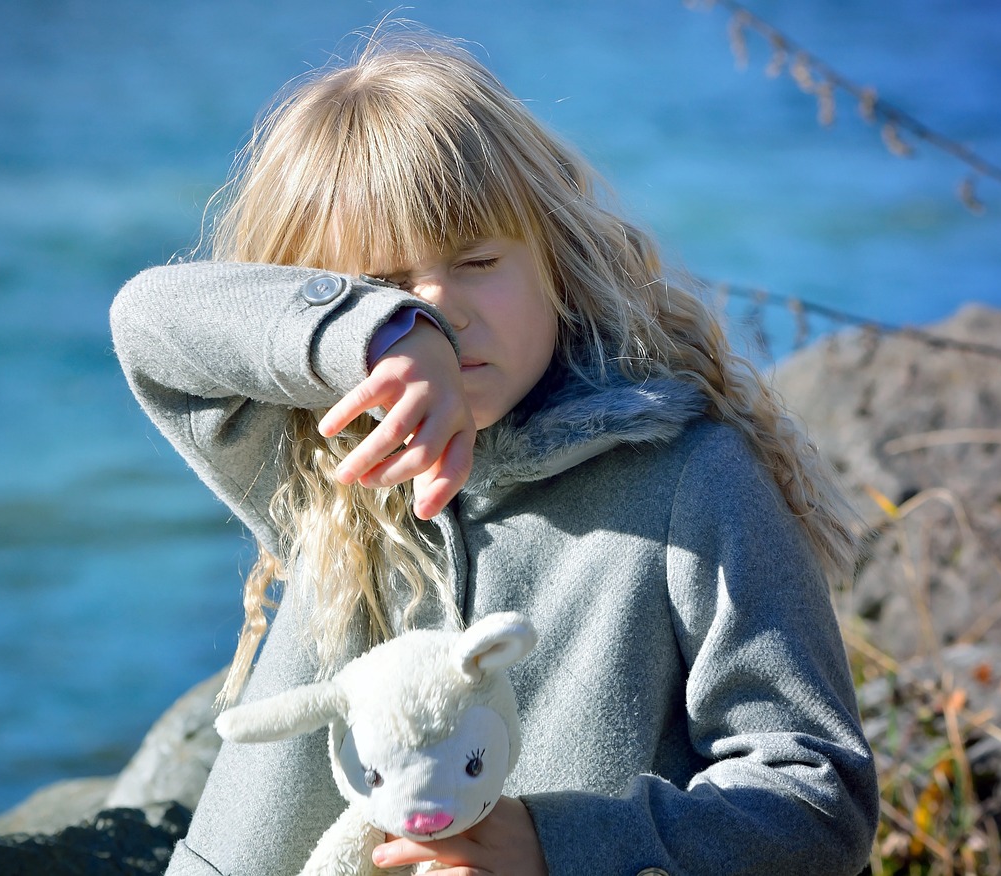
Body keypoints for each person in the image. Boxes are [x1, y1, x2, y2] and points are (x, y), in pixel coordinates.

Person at [111, 26, 879, 876]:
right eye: (390, 286)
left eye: (476, 260)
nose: (443, 309)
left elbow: (819, 793)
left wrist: (560, 847)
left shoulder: (688, 475)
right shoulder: (322, 458)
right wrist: (379, 338)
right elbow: (148, 321)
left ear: (553, 254)